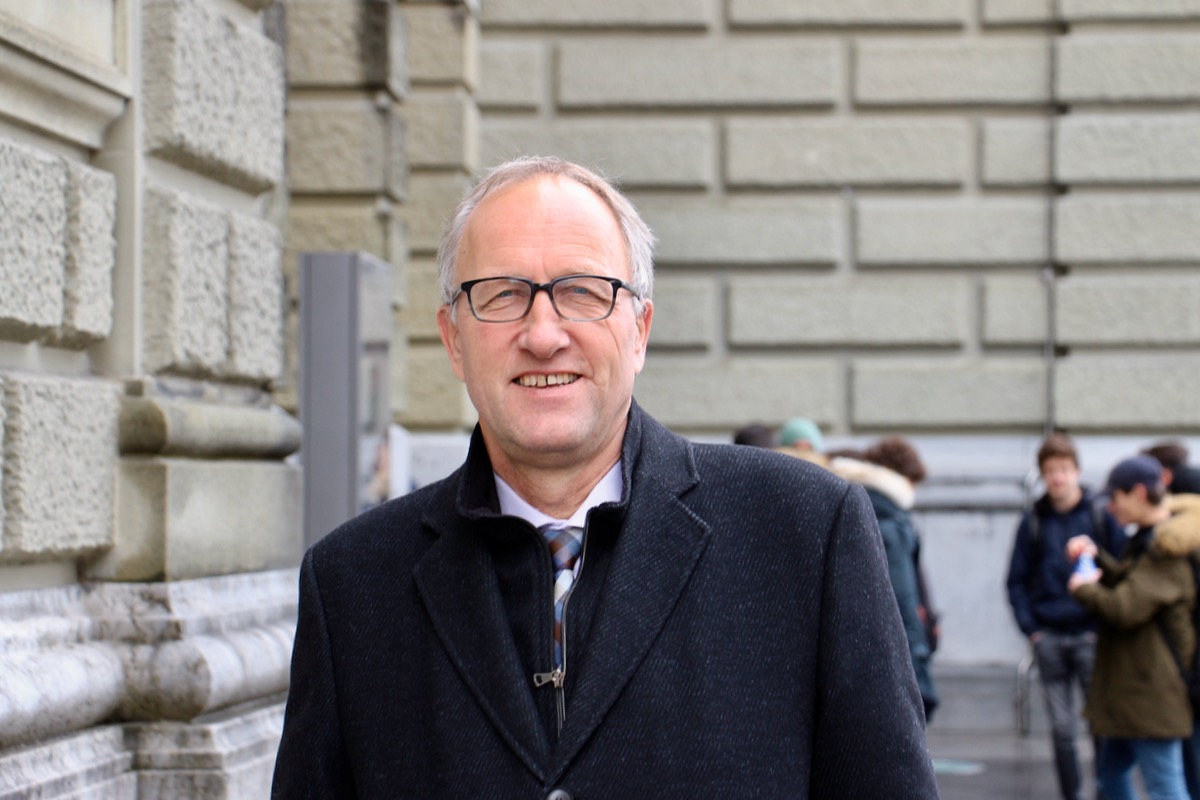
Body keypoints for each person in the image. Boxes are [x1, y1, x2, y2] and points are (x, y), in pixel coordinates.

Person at [271, 156, 938, 798]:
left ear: (640, 329)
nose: (542, 333)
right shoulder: (352, 586)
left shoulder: (804, 535)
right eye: (502, 295)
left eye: (581, 293)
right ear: (453, 339)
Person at [1068, 454, 1200, 800]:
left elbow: (1125, 607)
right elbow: (1134, 586)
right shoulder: (1149, 539)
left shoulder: (1167, 549)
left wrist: (1083, 588)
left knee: (1166, 786)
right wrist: (1097, 559)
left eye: (1115, 498)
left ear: (1139, 493)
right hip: (1137, 692)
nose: (1111, 507)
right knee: (1111, 777)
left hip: (1155, 694)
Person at [1006, 432, 1126, 800]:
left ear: (1076, 471)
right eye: (1050, 470)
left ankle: (1107, 790)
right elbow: (1015, 581)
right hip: (1050, 636)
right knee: (1061, 729)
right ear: (1042, 474)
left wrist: (1104, 623)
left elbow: (1123, 571)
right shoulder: (1034, 522)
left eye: (1064, 469)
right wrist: (1033, 630)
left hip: (1092, 634)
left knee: (1101, 725)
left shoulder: (1100, 515)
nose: (1057, 477)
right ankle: (1071, 794)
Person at [832, 437, 940, 721]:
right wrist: (918, 666)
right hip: (889, 660)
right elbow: (901, 600)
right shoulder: (890, 521)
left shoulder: (857, 507)